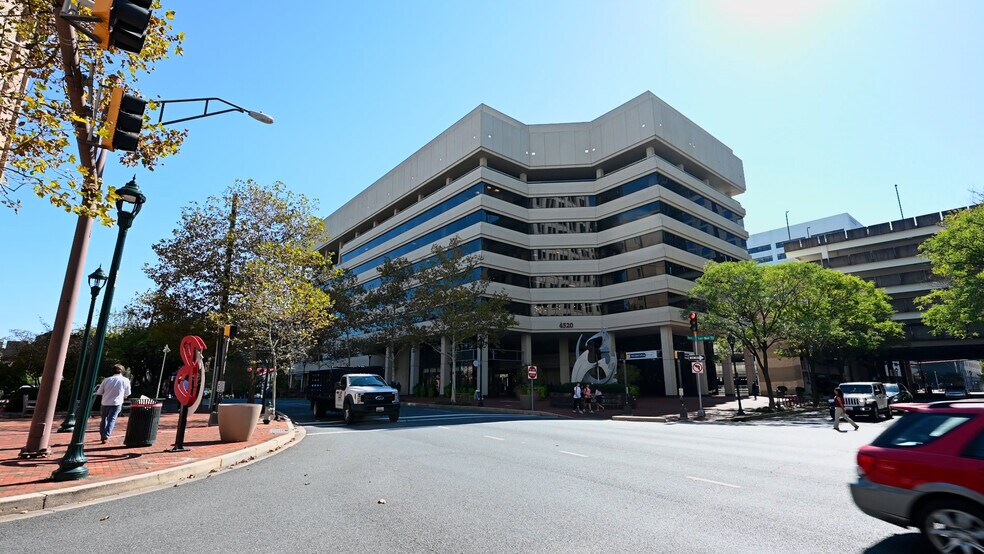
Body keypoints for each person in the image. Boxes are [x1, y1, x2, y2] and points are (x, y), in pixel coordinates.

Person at [94, 364, 132, 444]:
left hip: (105, 402)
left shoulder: (106, 380)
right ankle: (106, 435)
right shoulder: (125, 380)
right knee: (112, 419)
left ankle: (102, 434)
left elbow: (99, 392)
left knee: (104, 419)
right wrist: (124, 395)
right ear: (122, 371)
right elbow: (127, 393)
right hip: (117, 402)